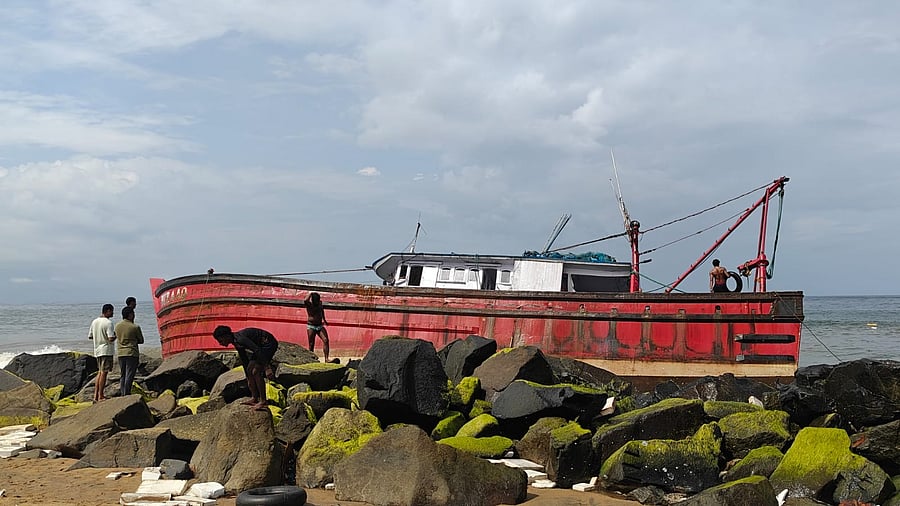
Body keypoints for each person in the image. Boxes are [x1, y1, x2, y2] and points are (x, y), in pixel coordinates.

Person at [212, 326, 278, 411]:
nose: (220, 343)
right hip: (260, 347)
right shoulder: (236, 342)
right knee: (250, 370)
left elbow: (256, 350)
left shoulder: (240, 339)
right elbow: (244, 359)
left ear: (226, 336)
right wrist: (248, 378)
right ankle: (254, 397)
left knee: (256, 371)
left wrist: (267, 368)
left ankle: (263, 401)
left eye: (221, 341)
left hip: (268, 345)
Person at [88, 304, 117, 402]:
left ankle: (96, 395)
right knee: (104, 373)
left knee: (100, 372)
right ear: (108, 311)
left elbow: (90, 336)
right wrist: (115, 335)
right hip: (106, 350)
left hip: (97, 350)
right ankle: (101, 395)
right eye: (112, 311)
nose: (113, 313)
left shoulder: (94, 321)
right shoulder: (108, 323)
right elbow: (110, 338)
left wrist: (98, 336)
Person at [115, 306, 144, 397]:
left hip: (120, 353)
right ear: (130, 315)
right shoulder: (135, 327)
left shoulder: (117, 326)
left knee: (123, 375)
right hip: (131, 352)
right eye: (133, 314)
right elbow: (141, 340)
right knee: (130, 375)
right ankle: (127, 394)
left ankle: (123, 393)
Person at [303, 292, 329, 362]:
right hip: (311, 326)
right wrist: (310, 293)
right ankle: (311, 359)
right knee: (311, 344)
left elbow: (322, 310)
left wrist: (324, 319)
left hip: (320, 325)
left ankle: (326, 359)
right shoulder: (309, 304)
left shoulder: (319, 303)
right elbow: (305, 300)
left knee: (325, 340)